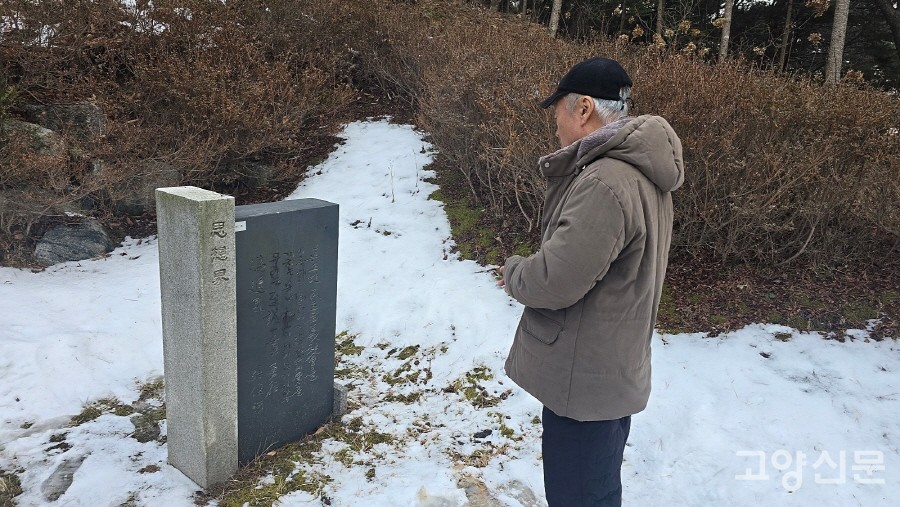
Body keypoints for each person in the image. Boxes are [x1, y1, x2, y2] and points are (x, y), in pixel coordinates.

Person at [498, 57, 684, 506]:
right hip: (610, 371)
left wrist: (513, 271)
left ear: (583, 108)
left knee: (580, 496)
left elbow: (555, 280)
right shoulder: (642, 172)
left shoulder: (605, 181)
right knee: (596, 490)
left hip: (582, 385)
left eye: (558, 110)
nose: (555, 124)